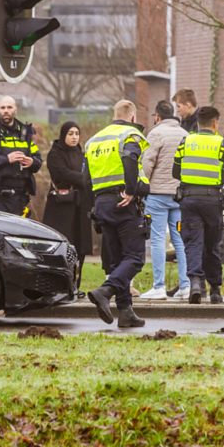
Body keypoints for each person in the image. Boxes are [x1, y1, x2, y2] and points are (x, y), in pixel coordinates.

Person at [83, 100, 150, 327]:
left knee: (117, 260)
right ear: (132, 118)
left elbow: (85, 179)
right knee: (135, 258)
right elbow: (131, 160)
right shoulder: (130, 135)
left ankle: (126, 311)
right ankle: (106, 291)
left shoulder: (95, 140)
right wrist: (131, 191)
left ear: (113, 117)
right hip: (124, 203)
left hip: (102, 204)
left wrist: (96, 203)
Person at [172, 105, 224, 304]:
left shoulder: (186, 141)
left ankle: (195, 283)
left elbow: (176, 172)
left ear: (198, 123)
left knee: (192, 243)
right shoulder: (222, 143)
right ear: (215, 123)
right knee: (212, 245)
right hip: (212, 201)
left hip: (189, 199)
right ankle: (215, 290)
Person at [139, 100, 190, 300]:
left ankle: (159, 286)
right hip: (179, 197)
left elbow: (147, 164)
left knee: (158, 239)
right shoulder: (186, 135)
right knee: (180, 239)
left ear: (157, 117)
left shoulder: (155, 134)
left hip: (157, 196)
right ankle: (185, 285)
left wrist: (144, 187)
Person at [42, 121, 93, 286]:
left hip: (81, 206)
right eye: (70, 134)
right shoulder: (55, 154)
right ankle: (60, 285)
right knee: (62, 245)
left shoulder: (82, 154)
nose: (74, 137)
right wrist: (84, 178)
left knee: (80, 246)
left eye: (77, 134)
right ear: (63, 135)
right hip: (61, 208)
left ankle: (75, 284)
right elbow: (62, 173)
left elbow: (91, 175)